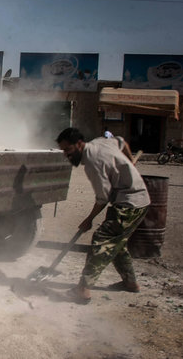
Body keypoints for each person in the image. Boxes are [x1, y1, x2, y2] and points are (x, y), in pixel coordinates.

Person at [56, 127, 150, 304]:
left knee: (101, 241)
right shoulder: (100, 141)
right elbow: (122, 141)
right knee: (117, 243)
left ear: (79, 144)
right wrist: (131, 162)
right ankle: (131, 283)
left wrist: (88, 219)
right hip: (139, 200)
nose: (66, 154)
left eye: (67, 150)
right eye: (63, 150)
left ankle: (83, 290)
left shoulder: (92, 162)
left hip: (129, 203)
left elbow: (102, 198)